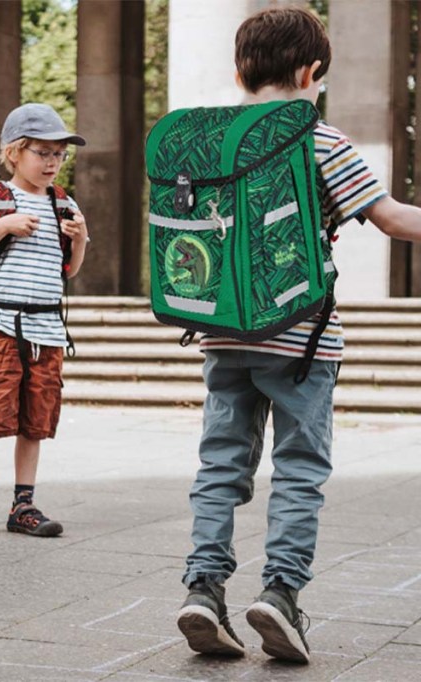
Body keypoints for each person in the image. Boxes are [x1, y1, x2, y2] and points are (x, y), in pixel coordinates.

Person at [177, 7, 421, 663]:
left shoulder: (209, 139)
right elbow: (393, 219)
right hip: (302, 338)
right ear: (312, 72)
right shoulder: (320, 140)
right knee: (299, 469)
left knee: (220, 466)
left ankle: (203, 589)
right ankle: (280, 595)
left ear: (239, 70)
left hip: (223, 334)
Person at [0, 103, 89, 540]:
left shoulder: (63, 202)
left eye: (59, 155)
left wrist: (79, 239)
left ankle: (23, 504)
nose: (52, 163)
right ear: (14, 153)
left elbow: (69, 270)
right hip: (2, 324)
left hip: (47, 330)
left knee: (36, 420)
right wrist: (3, 226)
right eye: (42, 153)